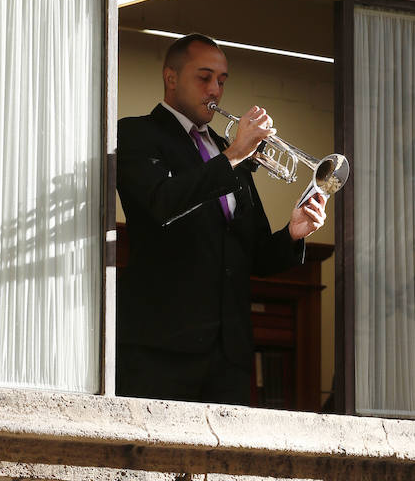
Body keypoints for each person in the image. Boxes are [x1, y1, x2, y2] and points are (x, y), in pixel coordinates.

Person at [116, 32, 326, 405]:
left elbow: (254, 255)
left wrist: (293, 233)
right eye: (204, 77)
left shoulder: (227, 150)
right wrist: (232, 156)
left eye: (222, 80)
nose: (215, 89)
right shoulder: (137, 133)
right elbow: (160, 204)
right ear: (171, 78)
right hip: (161, 349)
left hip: (229, 355)